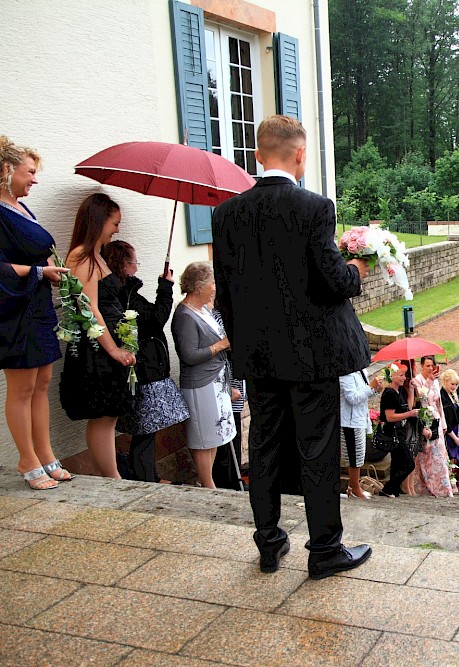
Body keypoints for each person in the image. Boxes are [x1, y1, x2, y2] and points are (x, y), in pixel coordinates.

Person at [213, 114, 372, 578]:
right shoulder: (314, 208)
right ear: (300, 154)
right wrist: (357, 269)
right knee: (317, 450)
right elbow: (332, 281)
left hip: (258, 358)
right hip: (311, 357)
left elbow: (226, 292)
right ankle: (324, 549)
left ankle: (268, 542)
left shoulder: (226, 214)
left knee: (261, 447)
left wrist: (244, 347)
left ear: (258, 155)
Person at [0, 137, 71, 489]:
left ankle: (46, 455)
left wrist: (52, 272)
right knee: (23, 386)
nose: (35, 179)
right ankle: (26, 460)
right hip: (14, 309)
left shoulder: (21, 208)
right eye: (30, 172)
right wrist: (40, 272)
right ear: (6, 170)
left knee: (42, 383)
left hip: (39, 304)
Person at [60, 193, 136, 479]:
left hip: (105, 343)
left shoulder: (95, 257)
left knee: (108, 415)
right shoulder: (81, 256)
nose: (116, 229)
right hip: (96, 348)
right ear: (99, 220)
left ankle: (109, 472)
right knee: (103, 416)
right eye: (114, 223)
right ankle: (111, 476)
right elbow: (89, 309)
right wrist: (113, 350)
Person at [102, 240, 189, 483]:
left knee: (146, 428)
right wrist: (166, 286)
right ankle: (146, 479)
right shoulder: (125, 295)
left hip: (138, 368)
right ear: (124, 265)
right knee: (145, 430)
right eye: (134, 262)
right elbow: (156, 319)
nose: (137, 268)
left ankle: (150, 476)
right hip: (142, 369)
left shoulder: (121, 292)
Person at [171, 262, 236, 489]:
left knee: (215, 434)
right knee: (203, 437)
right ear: (199, 286)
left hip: (216, 380)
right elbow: (188, 355)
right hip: (201, 384)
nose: (215, 287)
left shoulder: (204, 310)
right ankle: (208, 485)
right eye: (212, 282)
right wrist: (220, 346)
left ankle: (207, 481)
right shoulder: (185, 315)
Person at [410, 355, 453, 497]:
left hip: (436, 420)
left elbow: (438, 403)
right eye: (427, 365)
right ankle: (426, 486)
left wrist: (444, 422)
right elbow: (422, 399)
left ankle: (443, 487)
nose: (430, 368)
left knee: (439, 455)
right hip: (424, 419)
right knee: (427, 455)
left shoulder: (435, 382)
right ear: (422, 365)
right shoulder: (416, 381)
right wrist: (428, 382)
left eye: (431, 366)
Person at [378, 361, 421, 498]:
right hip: (393, 432)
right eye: (401, 375)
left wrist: (411, 390)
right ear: (393, 376)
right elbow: (389, 417)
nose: (404, 378)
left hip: (400, 431)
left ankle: (392, 490)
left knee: (397, 462)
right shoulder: (389, 393)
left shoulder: (400, 390)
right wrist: (409, 414)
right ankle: (389, 487)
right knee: (408, 463)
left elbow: (406, 407)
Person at [340, 368, 383, 499]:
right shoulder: (345, 375)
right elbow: (352, 398)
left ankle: (353, 486)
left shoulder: (361, 372)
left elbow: (365, 394)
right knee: (353, 455)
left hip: (360, 419)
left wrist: (375, 389)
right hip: (350, 421)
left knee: (359, 455)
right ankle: (354, 488)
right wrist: (370, 386)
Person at [439, 369, 459, 494]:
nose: (454, 387)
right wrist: (454, 436)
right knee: (449, 458)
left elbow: (458, 416)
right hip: (449, 432)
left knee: (455, 458)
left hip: (456, 430)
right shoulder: (443, 397)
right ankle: (451, 483)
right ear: (445, 382)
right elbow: (446, 420)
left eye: (456, 384)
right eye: (452, 384)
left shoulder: (453, 396)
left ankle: (455, 482)